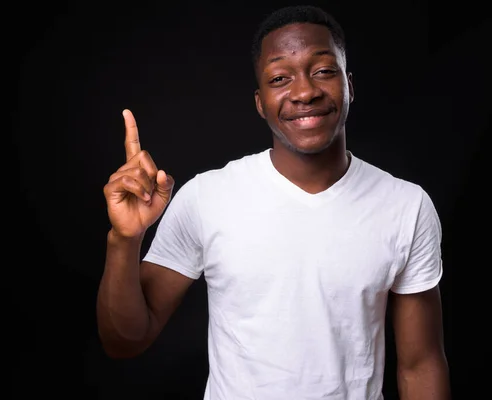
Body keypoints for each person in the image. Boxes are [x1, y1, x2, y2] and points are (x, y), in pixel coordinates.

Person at [97, 5, 451, 399]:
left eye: (323, 71)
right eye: (280, 77)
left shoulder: (406, 205)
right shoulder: (206, 197)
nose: (304, 91)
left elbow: (420, 366)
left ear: (349, 85)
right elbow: (125, 341)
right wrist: (124, 240)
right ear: (260, 102)